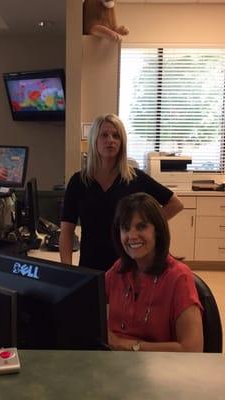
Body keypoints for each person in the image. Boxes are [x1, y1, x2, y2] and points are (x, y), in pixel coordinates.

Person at [60, 114, 183, 270]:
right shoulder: (79, 181)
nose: (110, 140)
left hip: (129, 266)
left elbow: (175, 204)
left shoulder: (135, 178)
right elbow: (66, 232)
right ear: (94, 141)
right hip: (90, 266)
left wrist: (148, 225)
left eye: (116, 136)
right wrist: (68, 270)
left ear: (122, 142)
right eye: (104, 135)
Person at [106, 192, 203, 352]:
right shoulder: (119, 269)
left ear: (157, 230)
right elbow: (87, 308)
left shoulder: (179, 278)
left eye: (141, 226)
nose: (132, 236)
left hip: (161, 370)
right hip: (115, 365)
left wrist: (132, 346)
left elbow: (193, 348)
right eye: (125, 228)